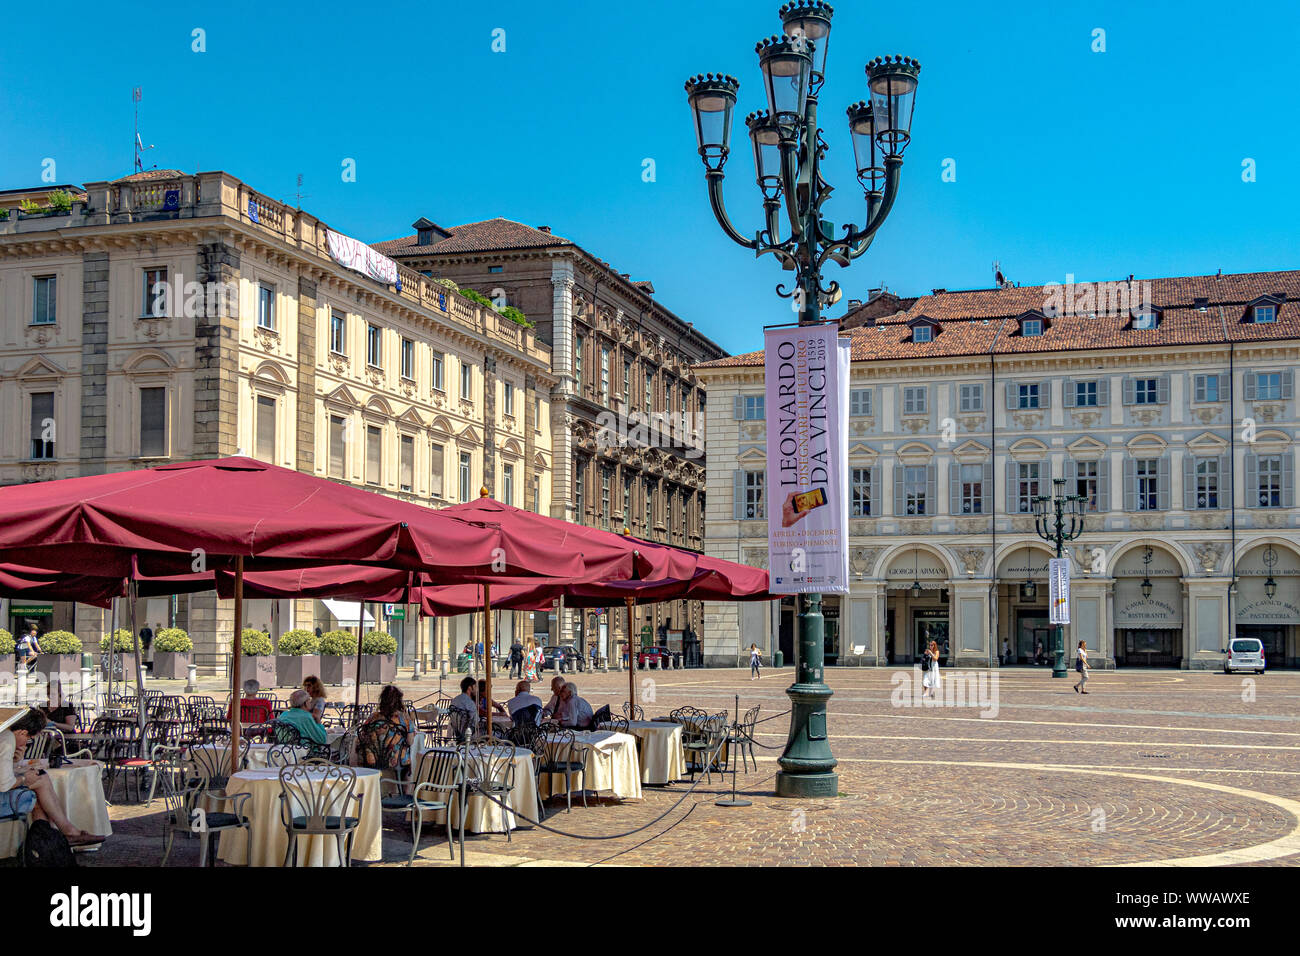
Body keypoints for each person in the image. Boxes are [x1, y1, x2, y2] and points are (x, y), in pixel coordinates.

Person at [0, 709, 105, 846]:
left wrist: (15, 761)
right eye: (29, 739)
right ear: (22, 732)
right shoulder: (7, 740)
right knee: (36, 793)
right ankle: (61, 837)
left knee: (40, 782)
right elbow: (4, 784)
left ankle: (56, 840)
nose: (26, 743)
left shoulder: (5, 734)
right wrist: (25, 778)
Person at [356, 685, 414, 772]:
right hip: (395, 760)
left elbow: (362, 735)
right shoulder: (404, 718)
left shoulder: (373, 716)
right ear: (399, 701)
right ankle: (406, 784)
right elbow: (410, 742)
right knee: (407, 766)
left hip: (372, 759)